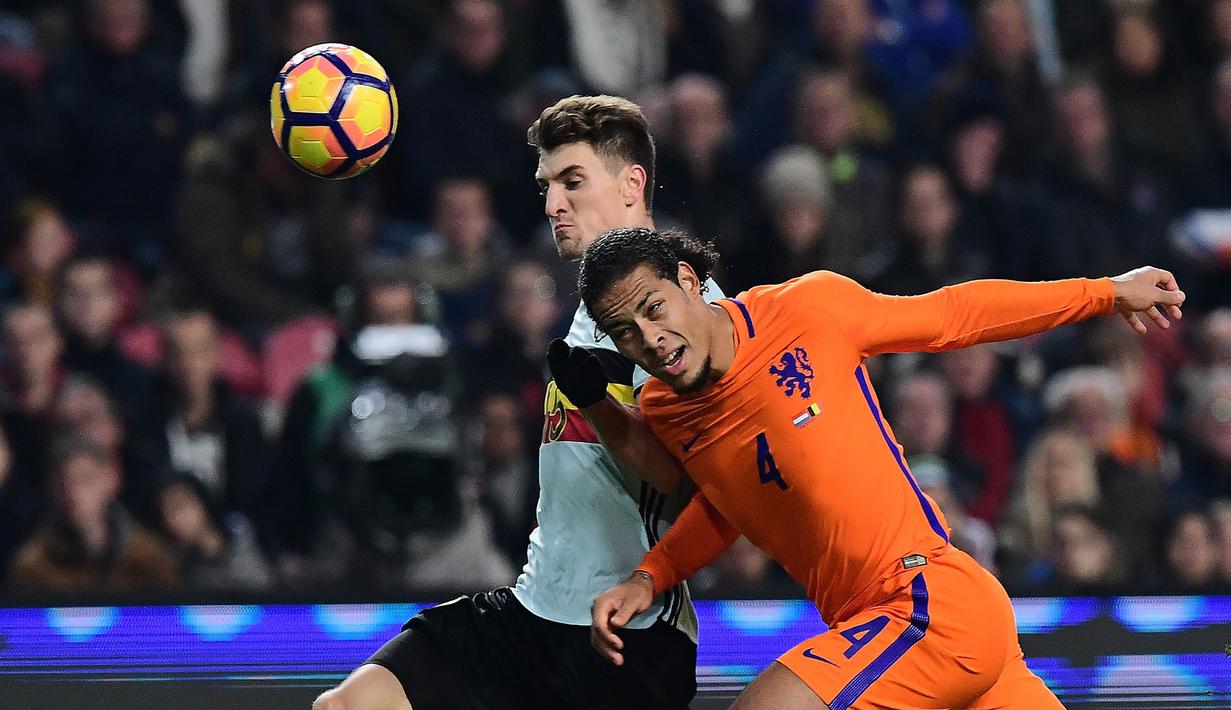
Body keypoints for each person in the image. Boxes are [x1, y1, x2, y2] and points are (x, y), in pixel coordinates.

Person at [564, 227, 1183, 708]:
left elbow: (955, 314)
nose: (649, 338)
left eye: (654, 308)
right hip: (892, 634)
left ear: (688, 280)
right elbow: (733, 500)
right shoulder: (665, 407)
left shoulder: (806, 309)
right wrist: (650, 577)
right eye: (625, 332)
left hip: (926, 603)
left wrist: (1106, 291)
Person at [313, 95, 716, 710]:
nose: (553, 204)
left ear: (632, 184)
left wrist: (596, 404)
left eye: (572, 181)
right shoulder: (592, 305)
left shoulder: (682, 306)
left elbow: (689, 484)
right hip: (533, 612)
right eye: (546, 185)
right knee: (350, 704)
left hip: (625, 639)